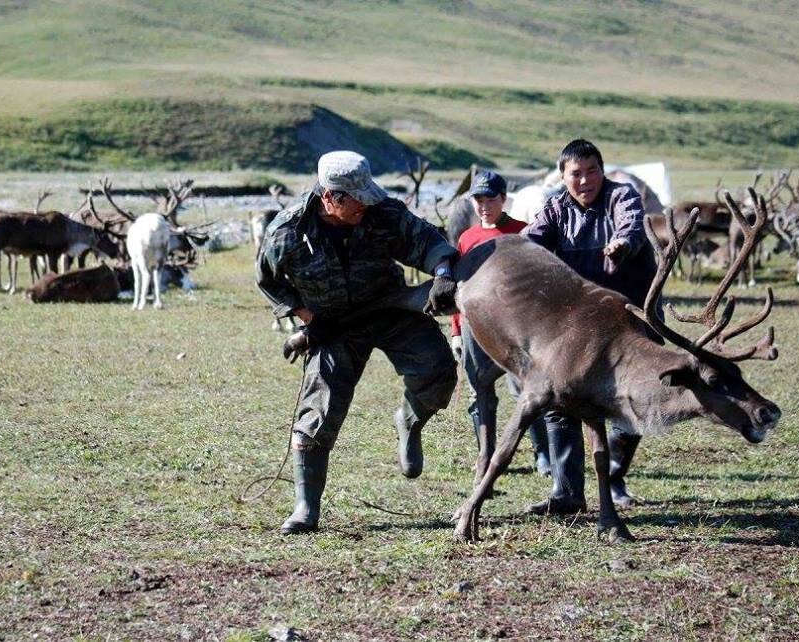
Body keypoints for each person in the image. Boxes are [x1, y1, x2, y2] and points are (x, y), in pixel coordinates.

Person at [256, 150, 459, 534]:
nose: (365, 204)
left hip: (390, 307)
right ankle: (305, 507)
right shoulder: (287, 233)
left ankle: (410, 422)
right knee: (317, 414)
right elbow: (268, 279)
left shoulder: (382, 212)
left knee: (438, 371)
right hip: (335, 326)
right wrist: (307, 318)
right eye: (356, 199)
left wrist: (444, 270)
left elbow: (428, 241)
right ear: (329, 197)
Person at [522, 139, 655, 514]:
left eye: (592, 171)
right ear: (563, 177)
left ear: (603, 169)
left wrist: (623, 244)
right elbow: (529, 243)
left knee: (630, 404)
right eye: (575, 174)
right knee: (558, 403)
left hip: (627, 324)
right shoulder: (554, 209)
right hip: (574, 329)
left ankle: (613, 478)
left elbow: (631, 225)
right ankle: (567, 494)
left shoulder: (621, 197)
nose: (585, 180)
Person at [450, 171, 551, 475]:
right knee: (478, 393)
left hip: (515, 329)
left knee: (526, 391)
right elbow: (459, 288)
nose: (483, 206)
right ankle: (487, 456)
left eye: (490, 199)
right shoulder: (467, 239)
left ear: (503, 199)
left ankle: (542, 454)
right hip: (475, 329)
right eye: (478, 199)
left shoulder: (523, 233)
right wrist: (456, 332)